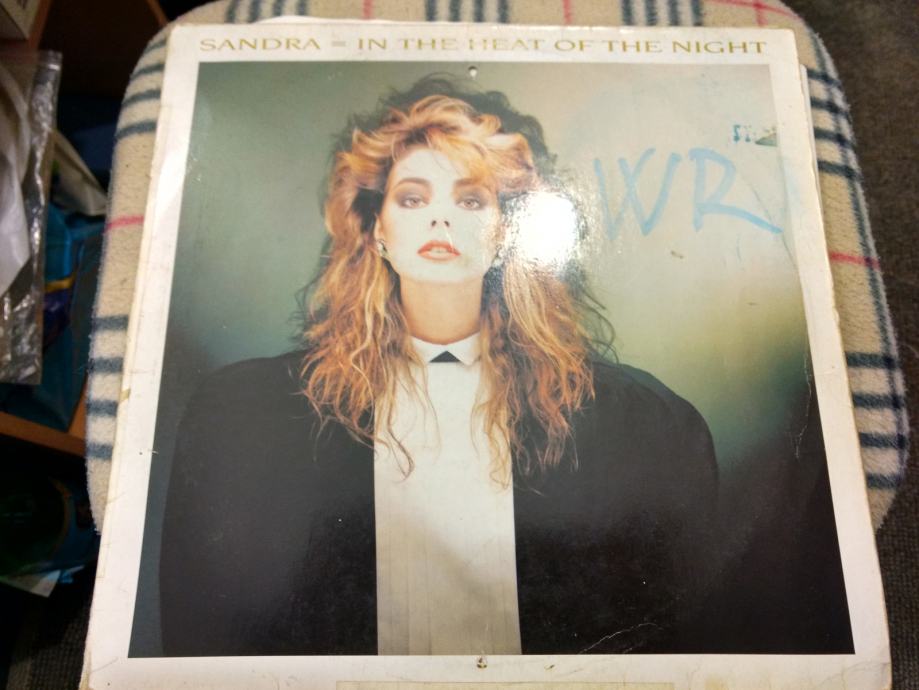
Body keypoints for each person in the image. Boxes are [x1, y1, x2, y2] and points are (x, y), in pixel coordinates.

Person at [158, 78, 718, 657]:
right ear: (378, 229)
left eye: (471, 200)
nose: (440, 220)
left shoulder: (645, 421)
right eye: (412, 199)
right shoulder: (246, 410)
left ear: (506, 234)